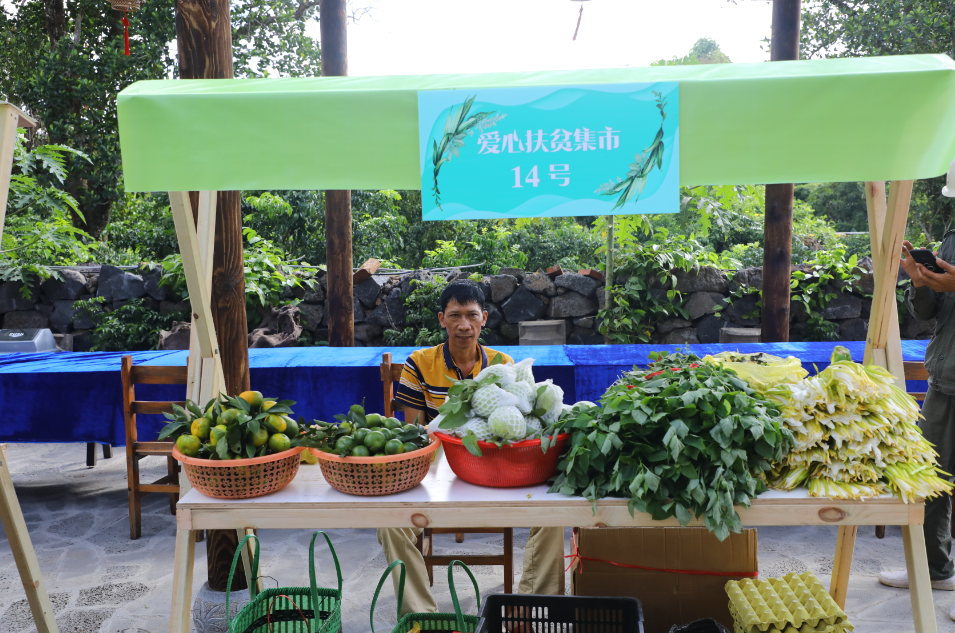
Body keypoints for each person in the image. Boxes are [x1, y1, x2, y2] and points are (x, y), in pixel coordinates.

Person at [377, 279, 565, 614]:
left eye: (471, 315)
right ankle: (421, 616)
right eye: (455, 316)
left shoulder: (503, 365)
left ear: (484, 318)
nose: (463, 325)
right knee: (389, 522)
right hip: (438, 464)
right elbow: (414, 433)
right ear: (442, 319)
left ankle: (528, 610)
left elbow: (521, 425)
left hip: (496, 463)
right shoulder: (419, 363)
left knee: (553, 514)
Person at [879, 233, 955, 619]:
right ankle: (935, 570)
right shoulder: (953, 240)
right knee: (932, 479)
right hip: (946, 380)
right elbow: (930, 313)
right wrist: (919, 280)